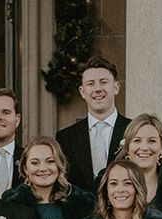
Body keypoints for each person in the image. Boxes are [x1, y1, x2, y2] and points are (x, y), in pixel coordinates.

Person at [55, 56, 130, 194]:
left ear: (116, 87)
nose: (98, 89)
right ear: (82, 92)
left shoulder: (133, 131)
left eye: (103, 82)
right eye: (91, 84)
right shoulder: (66, 138)